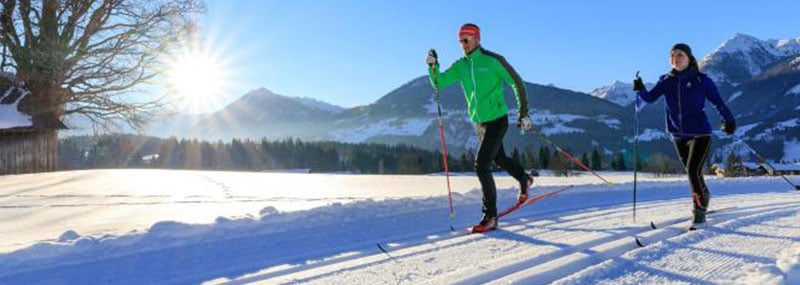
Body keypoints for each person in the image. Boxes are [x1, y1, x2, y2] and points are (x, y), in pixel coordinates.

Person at [426, 23, 534, 233]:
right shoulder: (461, 66)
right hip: (480, 123)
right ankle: (524, 178)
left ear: (476, 38)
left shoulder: (492, 61)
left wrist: (523, 113)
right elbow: (439, 82)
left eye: (466, 40)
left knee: (481, 164)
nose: (463, 45)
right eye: (460, 42)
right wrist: (433, 67)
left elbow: (516, 82)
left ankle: (490, 216)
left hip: (497, 120)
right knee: (498, 158)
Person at [634, 43, 736, 230]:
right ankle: (703, 197)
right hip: (678, 135)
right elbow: (649, 98)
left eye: (680, 54)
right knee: (693, 174)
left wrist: (728, 120)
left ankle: (699, 213)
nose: (676, 58)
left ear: (689, 58)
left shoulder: (701, 80)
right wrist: (640, 89)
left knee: (692, 171)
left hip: (700, 134)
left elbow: (718, 103)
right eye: (672, 55)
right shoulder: (666, 80)